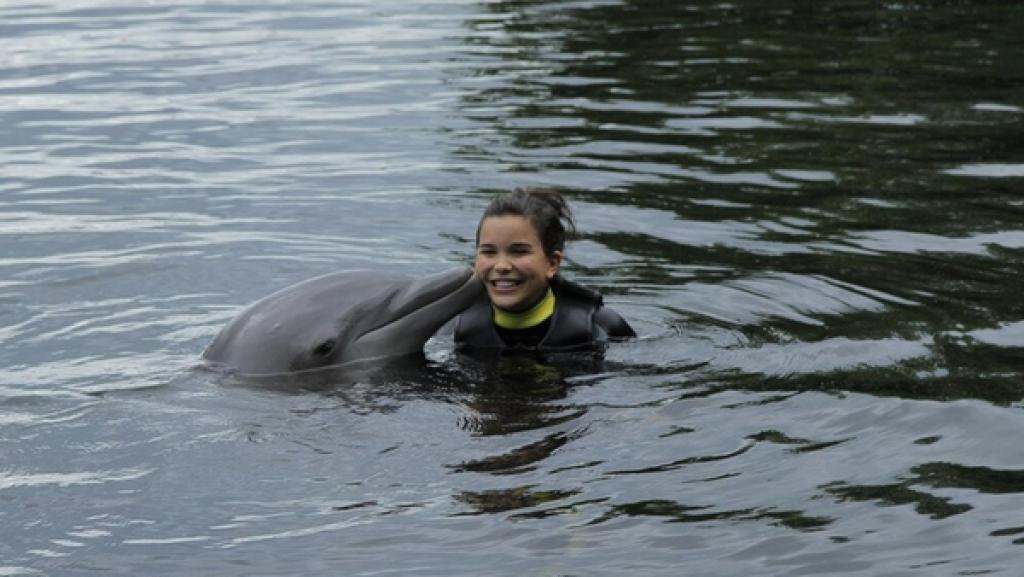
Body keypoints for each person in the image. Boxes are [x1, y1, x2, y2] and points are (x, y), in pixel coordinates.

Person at [454, 188, 635, 353]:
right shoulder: (457, 325)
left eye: (519, 252)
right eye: (489, 252)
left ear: (552, 264)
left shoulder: (600, 325)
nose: (501, 266)